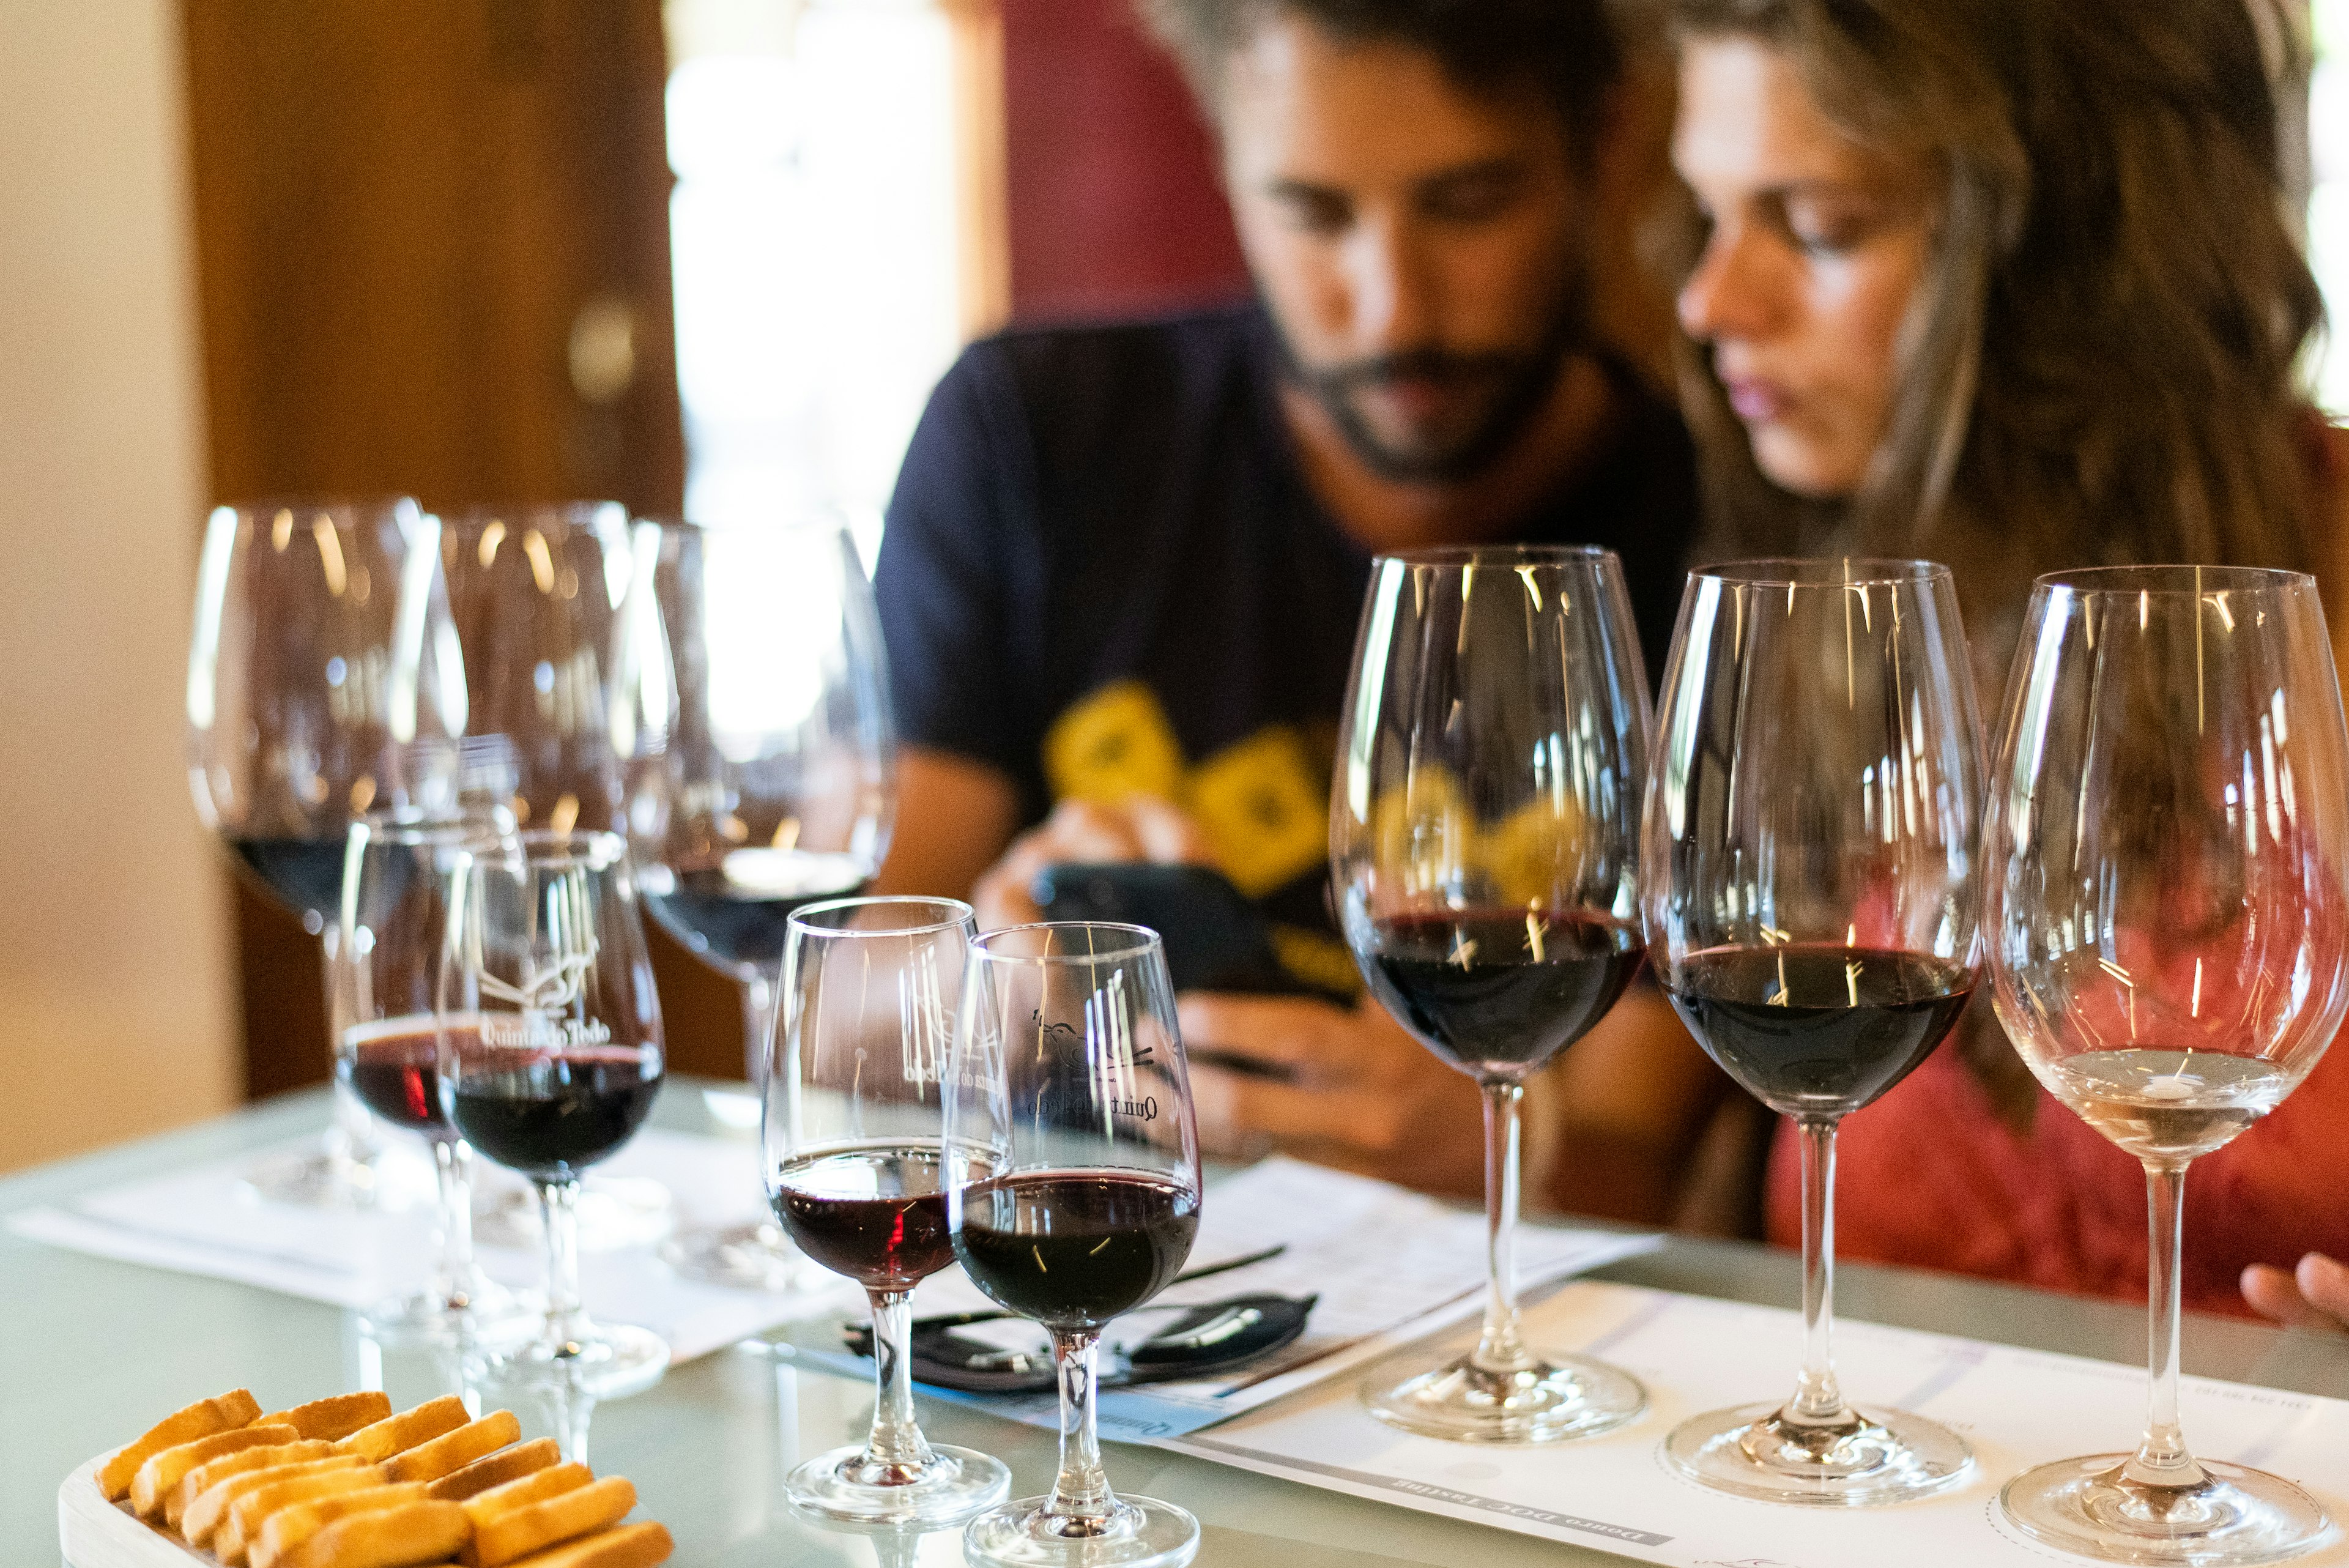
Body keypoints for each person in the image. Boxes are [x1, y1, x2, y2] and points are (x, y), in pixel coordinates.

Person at [872, 0, 1740, 1218]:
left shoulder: (1725, 530)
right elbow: (847, 1002)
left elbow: (1639, 1162)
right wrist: (980, 991)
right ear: (1227, 165)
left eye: (1470, 203)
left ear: (1602, 149)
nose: (1394, 307)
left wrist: (1514, 1155)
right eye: (1313, 214)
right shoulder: (1034, 437)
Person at [1663, 0, 2349, 1325]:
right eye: (1708, 215)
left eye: (1818, 225)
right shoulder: (1838, 623)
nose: (1710, 300)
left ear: (2071, 256)